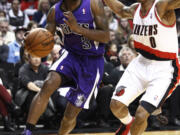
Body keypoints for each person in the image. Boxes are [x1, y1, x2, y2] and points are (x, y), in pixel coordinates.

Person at [22, 0, 109, 134]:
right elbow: (46, 37)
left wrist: (78, 29)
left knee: (69, 115)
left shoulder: (93, 4)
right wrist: (32, 40)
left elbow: (105, 36)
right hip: (70, 55)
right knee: (48, 84)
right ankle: (27, 131)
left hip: (92, 62)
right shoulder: (54, 11)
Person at [104, 0, 180, 135]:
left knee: (141, 114)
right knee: (115, 105)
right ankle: (128, 123)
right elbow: (121, 10)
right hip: (140, 62)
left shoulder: (161, 6)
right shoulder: (135, 9)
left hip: (164, 68)